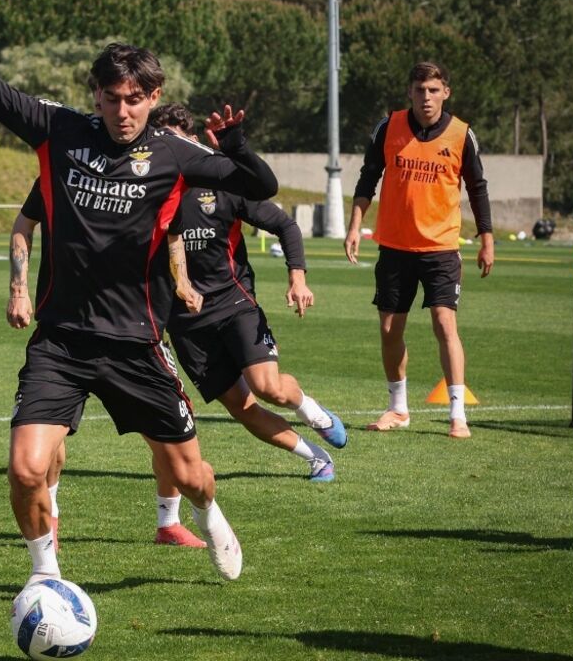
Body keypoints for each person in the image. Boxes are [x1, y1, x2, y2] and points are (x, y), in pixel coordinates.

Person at [0, 2, 280, 584]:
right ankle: (45, 577)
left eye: (135, 99)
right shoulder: (59, 130)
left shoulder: (173, 154)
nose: (122, 110)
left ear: (154, 95)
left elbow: (259, 186)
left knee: (191, 475)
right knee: (25, 468)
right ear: (95, 94)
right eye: (111, 97)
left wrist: (236, 146)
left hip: (135, 344)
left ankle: (208, 512)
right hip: (61, 341)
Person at [152, 103, 347, 544]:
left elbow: (285, 226)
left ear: (190, 141)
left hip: (234, 305)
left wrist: (297, 277)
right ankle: (315, 458)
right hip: (185, 325)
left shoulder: (221, 182)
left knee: (268, 387)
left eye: (174, 140)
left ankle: (311, 411)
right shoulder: (149, 193)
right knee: (242, 409)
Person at [344, 61, 494, 439]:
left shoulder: (462, 135)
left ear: (446, 92)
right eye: (419, 90)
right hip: (394, 246)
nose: (426, 97)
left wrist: (486, 238)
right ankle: (398, 409)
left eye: (433, 90)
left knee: (445, 323)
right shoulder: (388, 127)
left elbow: (477, 188)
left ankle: (458, 414)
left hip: (440, 247)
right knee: (390, 328)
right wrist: (353, 225)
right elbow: (367, 177)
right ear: (409, 92)